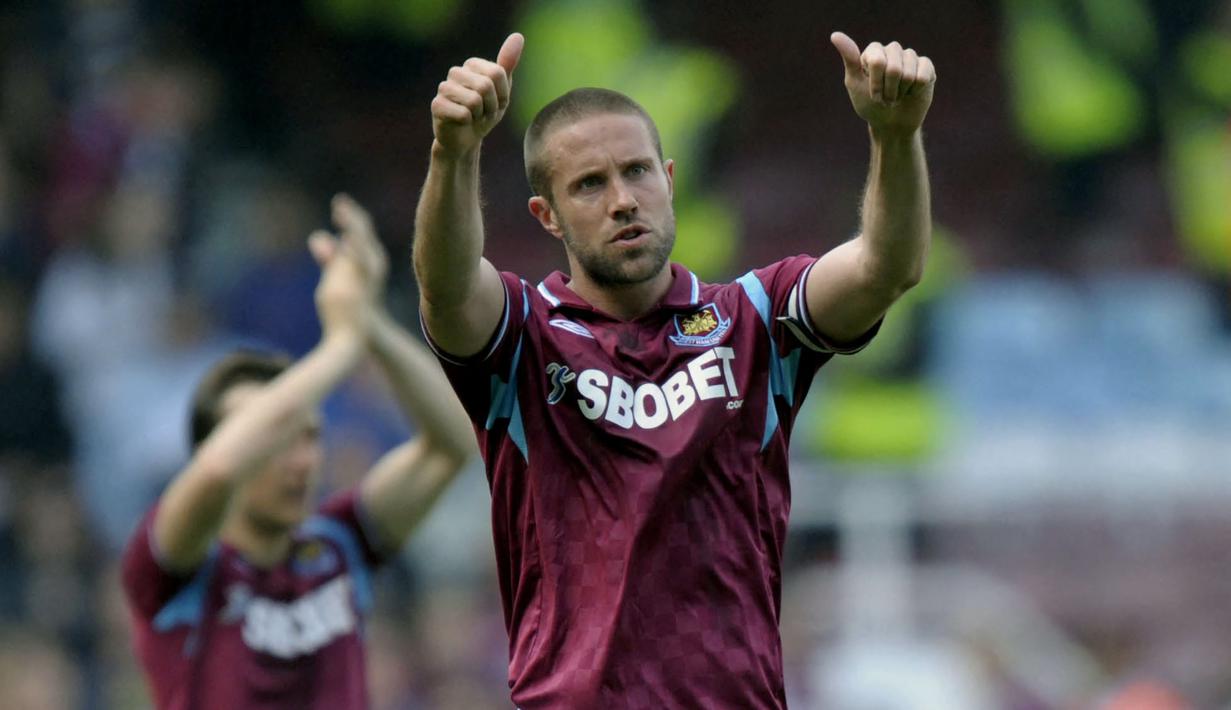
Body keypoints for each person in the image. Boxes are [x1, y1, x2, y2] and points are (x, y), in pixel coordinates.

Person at [413, 29, 936, 709]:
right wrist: (453, 153)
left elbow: (885, 269)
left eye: (636, 172)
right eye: (589, 185)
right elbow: (448, 288)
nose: (622, 200)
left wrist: (895, 136)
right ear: (548, 217)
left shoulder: (755, 319)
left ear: (668, 180)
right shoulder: (523, 336)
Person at [121, 195, 474, 709]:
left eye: (309, 436)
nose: (301, 461)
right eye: (273, 438)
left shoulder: (340, 542)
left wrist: (369, 321)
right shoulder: (174, 568)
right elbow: (217, 472)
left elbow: (452, 444)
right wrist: (339, 346)